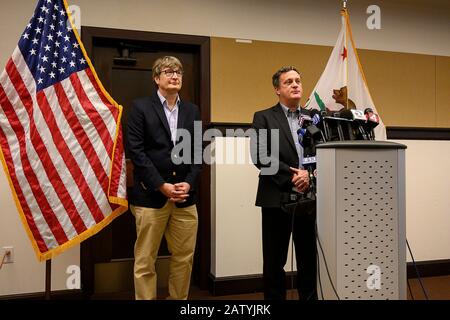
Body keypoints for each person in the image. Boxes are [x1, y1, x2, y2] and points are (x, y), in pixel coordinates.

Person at [127, 56, 202, 300]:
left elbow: (197, 152)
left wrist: (189, 183)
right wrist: (161, 185)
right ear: (156, 78)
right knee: (145, 259)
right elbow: (136, 152)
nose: (175, 76)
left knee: (183, 258)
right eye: (168, 71)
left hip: (184, 198)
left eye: (178, 72)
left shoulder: (192, 110)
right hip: (150, 196)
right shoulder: (140, 107)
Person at [251, 66, 317, 300]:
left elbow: (325, 153)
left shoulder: (313, 117)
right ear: (277, 89)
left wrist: (310, 176)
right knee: (274, 263)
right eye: (288, 82)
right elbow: (260, 156)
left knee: (309, 260)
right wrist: (293, 177)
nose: (295, 84)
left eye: (298, 80)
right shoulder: (264, 117)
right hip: (275, 198)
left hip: (309, 198)